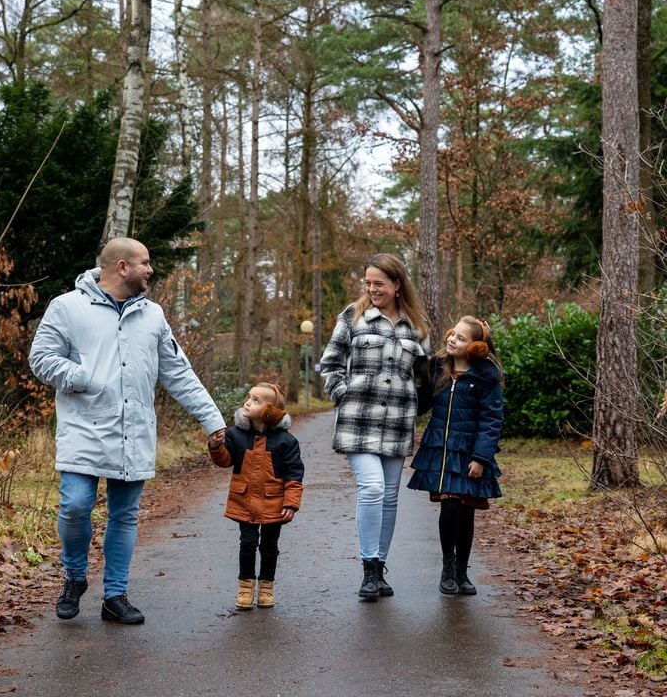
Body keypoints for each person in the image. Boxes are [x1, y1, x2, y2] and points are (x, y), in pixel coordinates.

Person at [29, 237, 226, 625]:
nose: (150, 270)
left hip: (133, 430)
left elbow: (178, 373)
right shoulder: (67, 307)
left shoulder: (152, 315)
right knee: (75, 505)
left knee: (125, 515)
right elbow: (41, 359)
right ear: (122, 267)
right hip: (84, 427)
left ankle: (115, 595)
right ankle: (74, 576)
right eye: (145, 263)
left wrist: (213, 420)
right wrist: (83, 376)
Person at [319, 253, 431, 601]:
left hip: (398, 423)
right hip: (358, 422)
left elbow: (425, 378)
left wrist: (416, 408)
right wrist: (344, 395)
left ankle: (380, 567)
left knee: (390, 497)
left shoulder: (417, 327)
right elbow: (330, 365)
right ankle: (368, 568)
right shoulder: (352, 317)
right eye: (368, 283)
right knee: (372, 488)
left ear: (398, 285)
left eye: (379, 283)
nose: (372, 289)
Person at [407, 316, 503, 596]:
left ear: (475, 347)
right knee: (449, 506)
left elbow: (491, 418)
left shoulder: (486, 376)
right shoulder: (438, 368)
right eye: (452, 334)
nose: (452, 339)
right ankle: (447, 567)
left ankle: (462, 570)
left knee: (466, 510)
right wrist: (418, 376)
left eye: (460, 338)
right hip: (442, 449)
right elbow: (422, 405)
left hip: (469, 452)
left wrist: (481, 457)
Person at [208, 383, 304, 610]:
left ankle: (266, 587)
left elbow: (294, 475)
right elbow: (225, 461)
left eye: (256, 400)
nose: (247, 402)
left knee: (270, 546)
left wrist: (291, 503)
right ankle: (245, 587)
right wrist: (216, 447)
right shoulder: (235, 434)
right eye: (248, 397)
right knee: (248, 543)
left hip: (275, 503)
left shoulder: (286, 441)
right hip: (244, 501)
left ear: (270, 411)